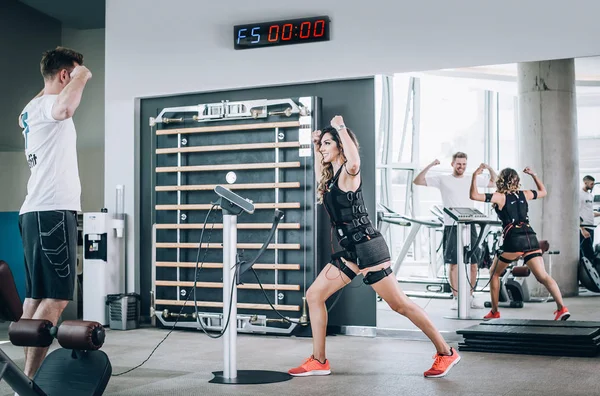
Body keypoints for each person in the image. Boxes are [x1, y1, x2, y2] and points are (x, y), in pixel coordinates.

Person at [288, 116, 461, 379]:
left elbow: (355, 161)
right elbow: (320, 181)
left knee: (400, 305)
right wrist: (315, 147)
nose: (322, 147)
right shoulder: (333, 177)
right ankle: (319, 360)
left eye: (327, 143)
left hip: (368, 249)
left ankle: (446, 352)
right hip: (350, 253)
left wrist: (341, 127)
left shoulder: (349, 172)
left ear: (341, 146)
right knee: (314, 296)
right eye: (321, 144)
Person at [17, 46, 92, 379]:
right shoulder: (52, 105)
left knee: (34, 298)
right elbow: (64, 108)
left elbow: (49, 93)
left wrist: (61, 75)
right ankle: (30, 381)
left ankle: (24, 376)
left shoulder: (30, 109)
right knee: (57, 299)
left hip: (32, 213)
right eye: (73, 74)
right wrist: (84, 75)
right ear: (65, 75)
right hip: (53, 211)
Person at [469, 165, 570, 321]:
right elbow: (544, 192)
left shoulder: (499, 196)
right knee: (543, 276)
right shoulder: (525, 194)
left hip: (514, 240)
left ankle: (495, 311)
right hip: (531, 238)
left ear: (501, 181)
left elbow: (474, 196)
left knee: (494, 273)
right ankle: (561, 308)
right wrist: (534, 175)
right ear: (516, 180)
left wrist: (474, 176)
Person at [413, 153, 497, 310]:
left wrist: (489, 168)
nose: (462, 167)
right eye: (459, 164)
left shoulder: (471, 179)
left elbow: (494, 181)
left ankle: (470, 296)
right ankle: (456, 297)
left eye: (464, 164)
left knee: (473, 263)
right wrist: (431, 165)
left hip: (469, 224)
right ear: (452, 164)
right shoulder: (443, 179)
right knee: (453, 264)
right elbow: (417, 181)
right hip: (451, 225)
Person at [579, 175, 599, 262]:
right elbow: (576, 213)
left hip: (591, 227)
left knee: (590, 253)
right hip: (584, 227)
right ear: (585, 182)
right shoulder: (580, 195)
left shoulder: (590, 195)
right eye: (591, 184)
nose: (593, 186)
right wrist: (582, 229)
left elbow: (590, 212)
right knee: (588, 254)